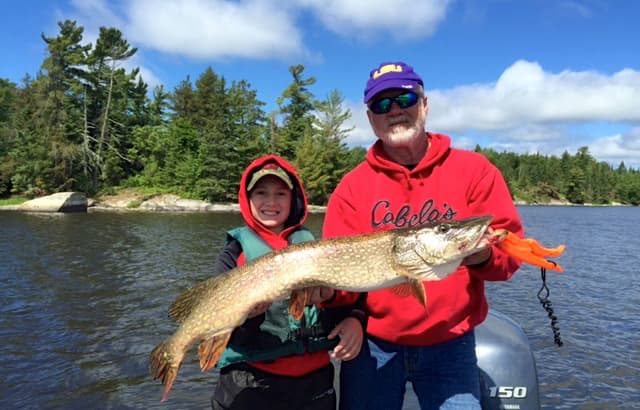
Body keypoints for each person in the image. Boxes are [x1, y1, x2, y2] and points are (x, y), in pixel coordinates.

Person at [316, 62, 524, 409]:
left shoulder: (475, 171)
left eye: (405, 99)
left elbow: (510, 258)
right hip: (373, 349)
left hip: (450, 346)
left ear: (424, 105)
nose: (395, 110)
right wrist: (324, 294)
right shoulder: (352, 188)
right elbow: (339, 287)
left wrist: (484, 255)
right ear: (371, 118)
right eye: (382, 105)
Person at [210, 154, 366, 410]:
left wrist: (354, 318)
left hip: (315, 385)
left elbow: (345, 291)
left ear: (293, 199)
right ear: (247, 199)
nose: (271, 202)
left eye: (280, 194)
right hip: (252, 383)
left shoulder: (315, 247)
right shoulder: (234, 254)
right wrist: (249, 318)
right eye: (261, 192)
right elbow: (223, 329)